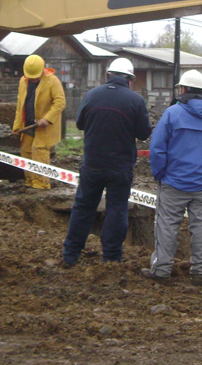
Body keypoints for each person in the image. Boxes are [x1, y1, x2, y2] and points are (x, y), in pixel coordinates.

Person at [142, 69, 202, 285]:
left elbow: (157, 149)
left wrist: (160, 174)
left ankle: (161, 270)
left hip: (173, 183)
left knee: (166, 226)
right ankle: (200, 271)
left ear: (183, 89)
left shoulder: (172, 114)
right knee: (200, 228)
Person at [61, 57, 152, 266]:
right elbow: (144, 133)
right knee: (117, 210)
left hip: (92, 164)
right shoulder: (135, 101)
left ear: (108, 75)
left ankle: (70, 255)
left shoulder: (92, 95)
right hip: (120, 167)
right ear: (129, 79)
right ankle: (111, 258)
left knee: (83, 208)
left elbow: (80, 124)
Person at [13, 54, 66, 190]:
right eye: (31, 77)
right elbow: (20, 105)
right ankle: (31, 181)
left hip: (44, 126)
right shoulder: (23, 82)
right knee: (25, 150)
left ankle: (42, 183)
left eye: (36, 76)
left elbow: (60, 102)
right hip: (29, 123)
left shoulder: (52, 81)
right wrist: (17, 126)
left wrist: (47, 118)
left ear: (42, 69)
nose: (34, 79)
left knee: (39, 150)